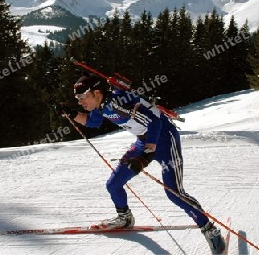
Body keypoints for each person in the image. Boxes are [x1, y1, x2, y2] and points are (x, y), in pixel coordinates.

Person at [57, 75, 226, 254]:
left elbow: (155, 122)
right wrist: (71, 113)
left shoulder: (118, 103)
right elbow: (93, 122)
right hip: (144, 142)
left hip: (165, 140)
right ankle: (125, 218)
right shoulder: (102, 105)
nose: (80, 101)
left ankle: (210, 229)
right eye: (77, 98)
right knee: (113, 184)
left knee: (174, 193)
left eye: (82, 96)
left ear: (97, 92)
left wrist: (149, 150)